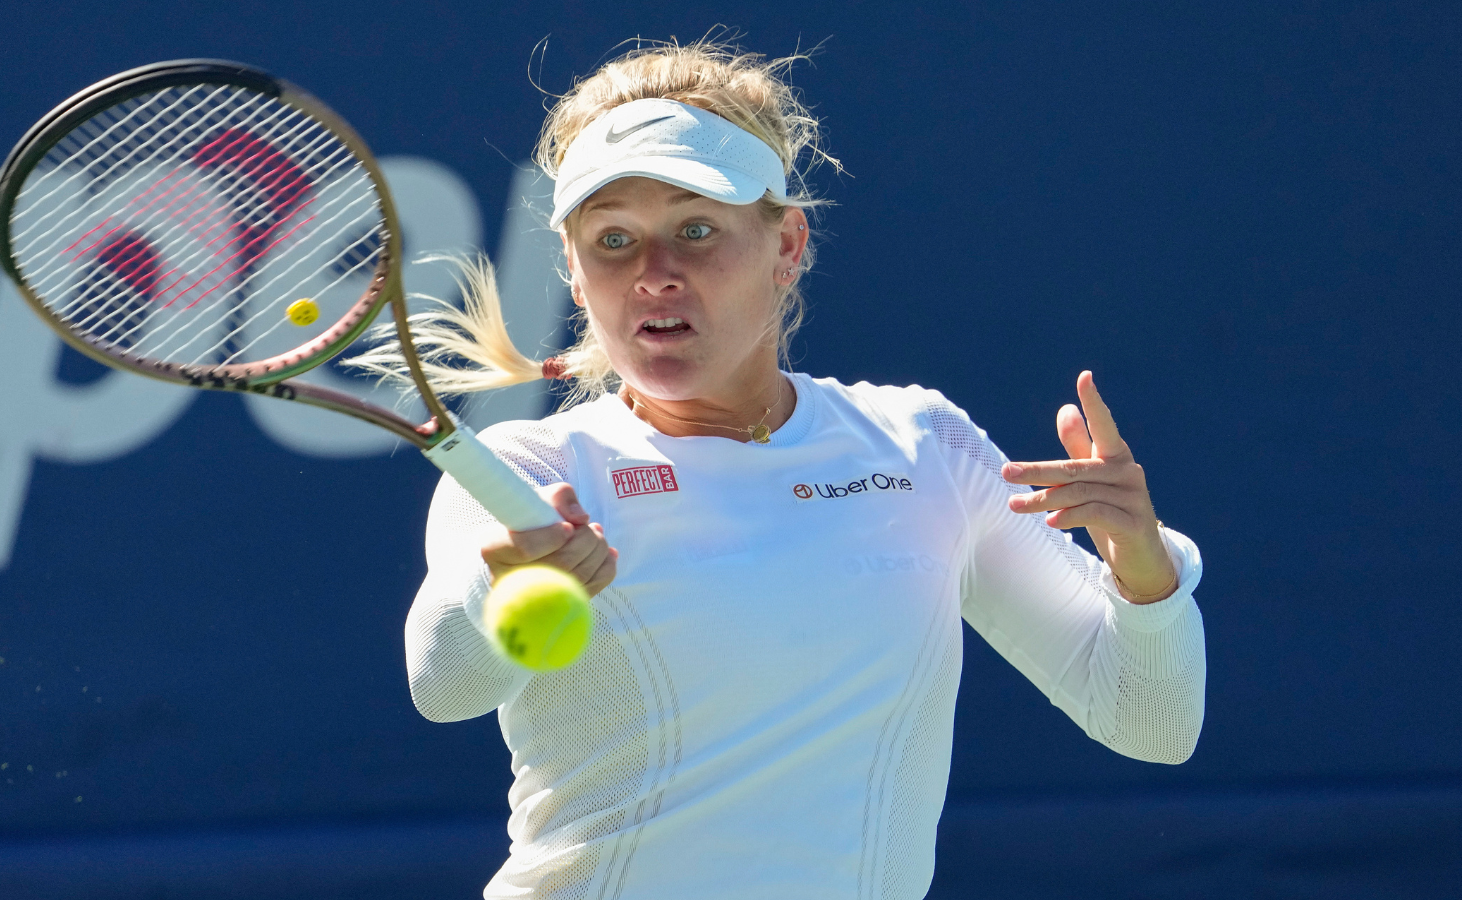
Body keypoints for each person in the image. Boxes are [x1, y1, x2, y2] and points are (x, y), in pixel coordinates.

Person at [352, 38, 1205, 900]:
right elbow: (443, 685)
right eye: (613, 240)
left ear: (787, 243)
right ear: (573, 271)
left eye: (696, 230)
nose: (654, 275)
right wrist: (495, 592)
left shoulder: (922, 445)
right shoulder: (527, 470)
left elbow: (1148, 718)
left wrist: (1142, 570)